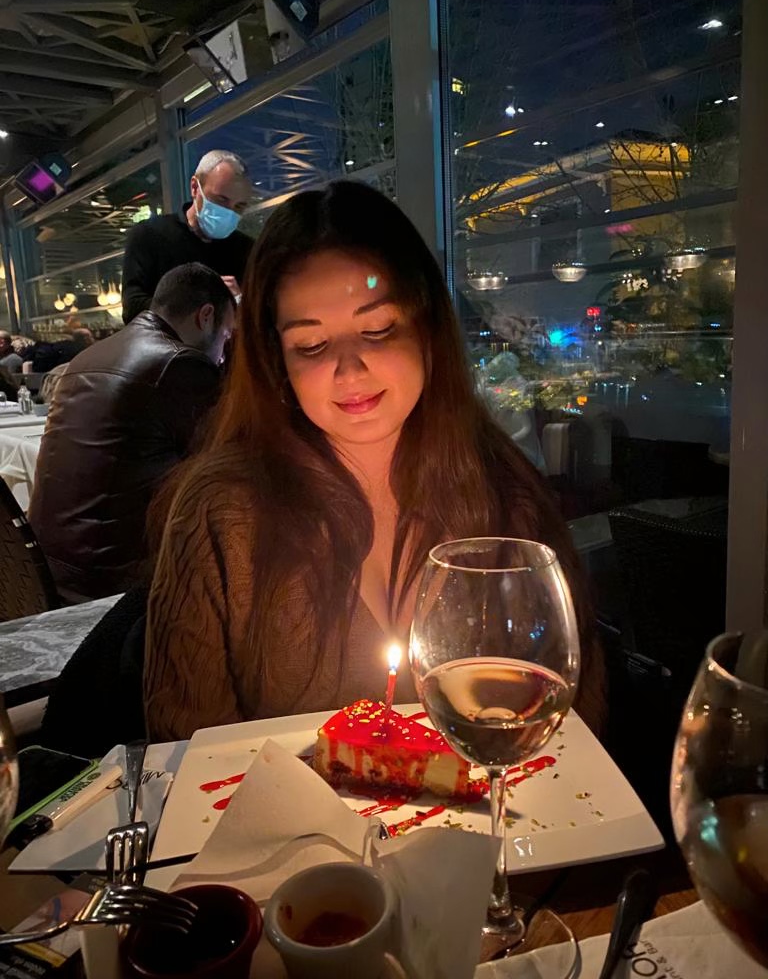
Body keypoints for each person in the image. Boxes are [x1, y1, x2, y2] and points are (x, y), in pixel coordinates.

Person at [144, 181, 606, 742]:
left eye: (378, 329)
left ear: (427, 327)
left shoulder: (506, 494)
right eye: (311, 346)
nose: (349, 370)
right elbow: (190, 749)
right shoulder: (223, 513)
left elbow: (577, 723)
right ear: (277, 360)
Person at [29, 263, 236, 604]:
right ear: (206, 316)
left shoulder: (86, 358)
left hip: (45, 574)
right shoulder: (178, 363)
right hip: (112, 588)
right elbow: (227, 463)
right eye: (226, 337)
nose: (222, 357)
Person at [121, 150, 253, 324]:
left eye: (239, 206)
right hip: (164, 341)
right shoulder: (150, 235)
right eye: (221, 200)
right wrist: (189, 302)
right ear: (195, 187)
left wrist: (239, 303)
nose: (229, 212)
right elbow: (132, 308)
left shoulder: (247, 250)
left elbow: (260, 317)